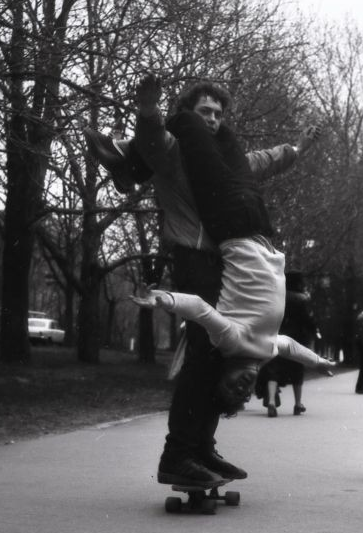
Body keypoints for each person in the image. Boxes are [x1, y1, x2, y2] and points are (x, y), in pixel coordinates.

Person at [83, 76, 321, 488]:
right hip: (193, 257)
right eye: (204, 112)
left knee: (219, 358)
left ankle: (201, 448)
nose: (211, 119)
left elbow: (261, 161)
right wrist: (148, 109)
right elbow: (153, 139)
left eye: (217, 114)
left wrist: (297, 148)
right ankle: (178, 454)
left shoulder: (221, 160)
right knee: (203, 355)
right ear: (188, 116)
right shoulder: (175, 151)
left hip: (222, 262)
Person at [129, 109, 334, 404]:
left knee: (190, 123)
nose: (243, 389)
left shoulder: (230, 342)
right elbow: (288, 346)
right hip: (261, 230)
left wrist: (162, 299)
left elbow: (199, 308)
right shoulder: (264, 351)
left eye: (232, 388)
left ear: (223, 376)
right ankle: (137, 157)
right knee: (224, 135)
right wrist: (317, 361)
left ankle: (132, 159)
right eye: (245, 395)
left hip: (233, 225)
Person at [254, 271, 321, 417]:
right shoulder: (302, 299)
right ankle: (297, 404)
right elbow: (308, 319)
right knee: (297, 370)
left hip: (277, 336)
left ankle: (271, 401)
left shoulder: (276, 296)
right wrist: (314, 330)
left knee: (273, 369)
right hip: (297, 339)